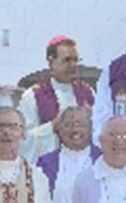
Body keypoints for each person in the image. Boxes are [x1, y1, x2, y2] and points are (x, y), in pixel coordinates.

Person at [18, 35, 94, 165]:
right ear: (51, 62)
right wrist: (52, 127)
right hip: (48, 167)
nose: (73, 65)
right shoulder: (33, 96)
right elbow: (22, 140)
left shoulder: (88, 93)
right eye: (67, 60)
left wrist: (93, 120)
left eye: (76, 60)